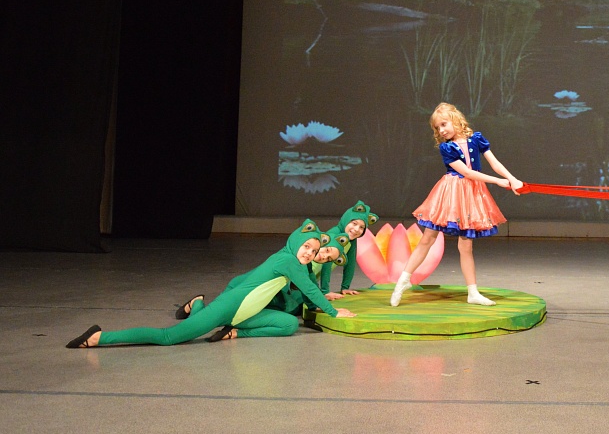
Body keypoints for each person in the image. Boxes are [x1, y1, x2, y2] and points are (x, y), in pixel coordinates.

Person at [66, 220, 356, 348]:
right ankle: (100, 337)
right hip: (229, 307)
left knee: (288, 325)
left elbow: (309, 286)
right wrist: (333, 312)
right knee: (169, 337)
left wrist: (327, 298)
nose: (309, 253)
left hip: (246, 315)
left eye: (313, 250)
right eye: (306, 246)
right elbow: (309, 289)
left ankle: (230, 330)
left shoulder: (293, 262)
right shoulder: (288, 260)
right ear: (295, 243)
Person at [390, 102, 523, 307]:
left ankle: (473, 292)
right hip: (451, 194)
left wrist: (512, 179)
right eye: (437, 128)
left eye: (444, 124)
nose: (441, 130)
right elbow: (467, 173)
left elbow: (494, 163)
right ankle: (403, 280)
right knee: (428, 238)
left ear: (455, 119)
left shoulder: (476, 139)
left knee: (466, 245)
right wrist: (498, 181)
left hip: (471, 194)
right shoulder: (447, 148)